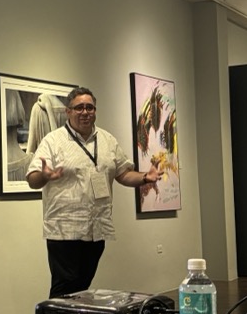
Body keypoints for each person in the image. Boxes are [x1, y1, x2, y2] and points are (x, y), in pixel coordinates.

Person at [26, 87, 163, 299]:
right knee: (64, 289)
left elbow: (123, 174)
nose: (85, 112)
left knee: (83, 286)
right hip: (64, 230)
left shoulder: (107, 140)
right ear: (68, 111)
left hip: (97, 228)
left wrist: (145, 177)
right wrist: (44, 176)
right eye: (79, 108)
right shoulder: (53, 141)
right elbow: (32, 180)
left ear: (95, 111)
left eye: (89, 107)